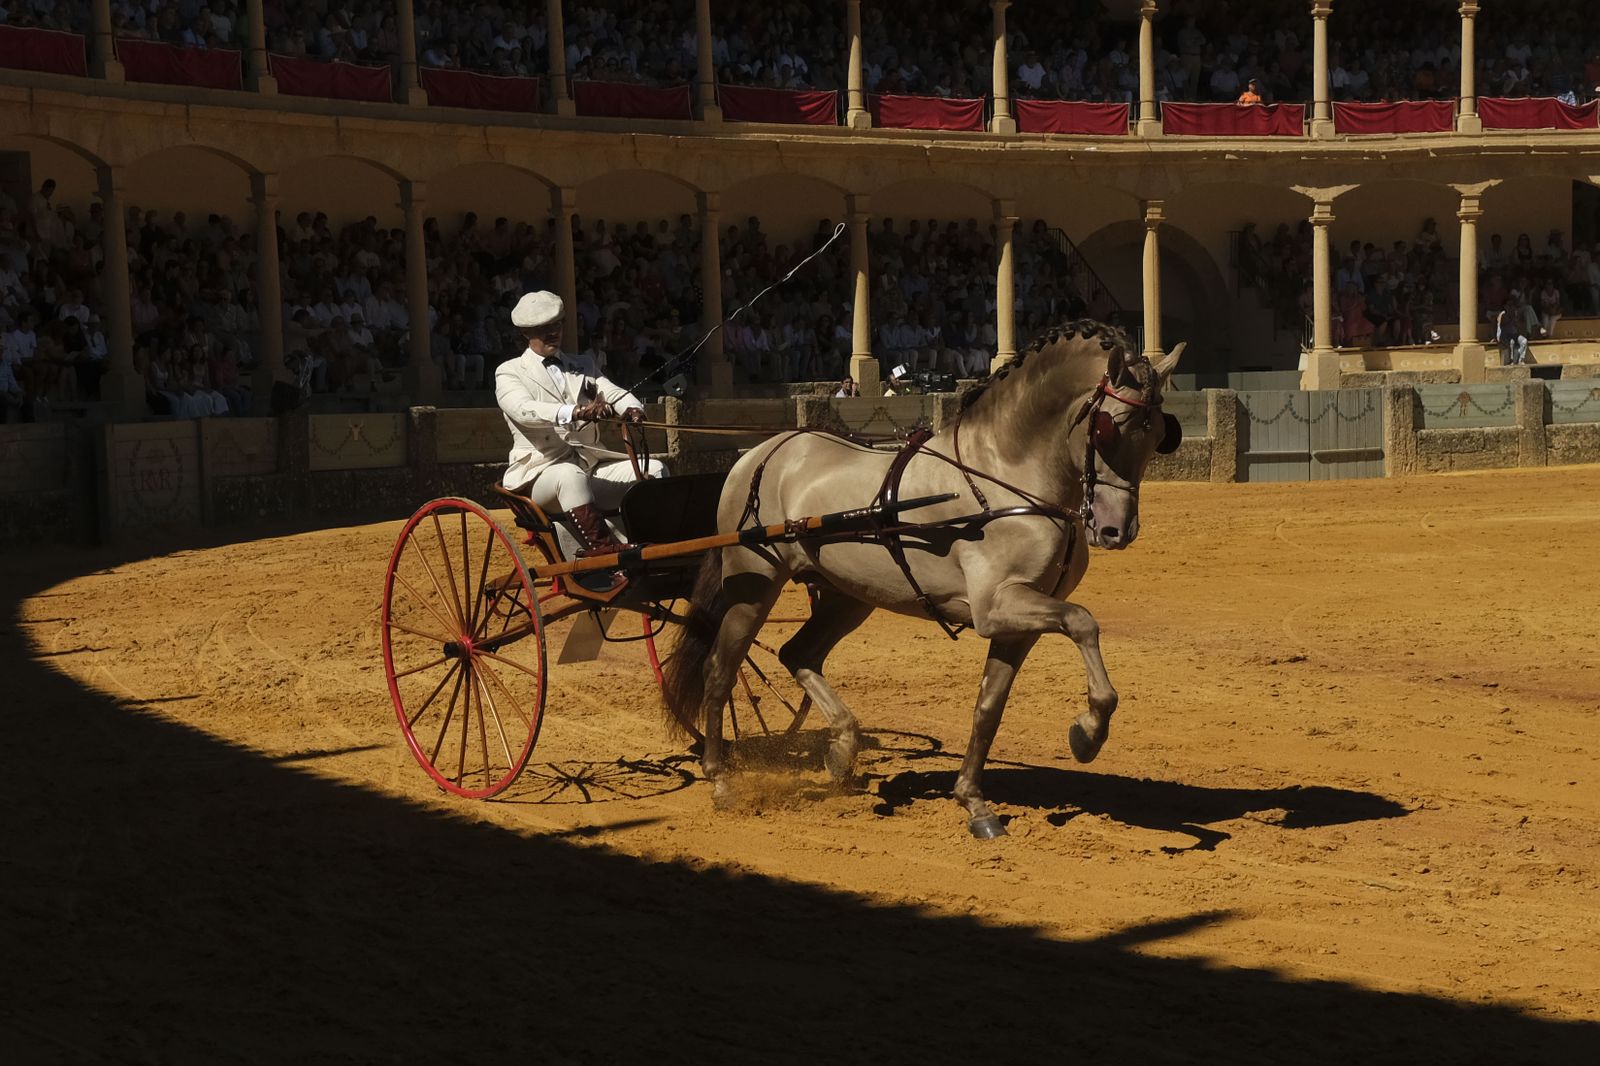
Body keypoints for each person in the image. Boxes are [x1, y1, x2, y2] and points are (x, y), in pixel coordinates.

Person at [495, 290, 665, 555]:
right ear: (526, 334)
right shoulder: (509, 371)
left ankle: (657, 546)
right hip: (541, 475)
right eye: (544, 328)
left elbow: (610, 389)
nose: (553, 332)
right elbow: (523, 410)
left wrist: (631, 408)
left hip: (589, 466)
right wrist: (575, 412)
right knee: (569, 476)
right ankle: (605, 553)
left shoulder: (582, 363)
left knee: (655, 469)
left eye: (557, 325)